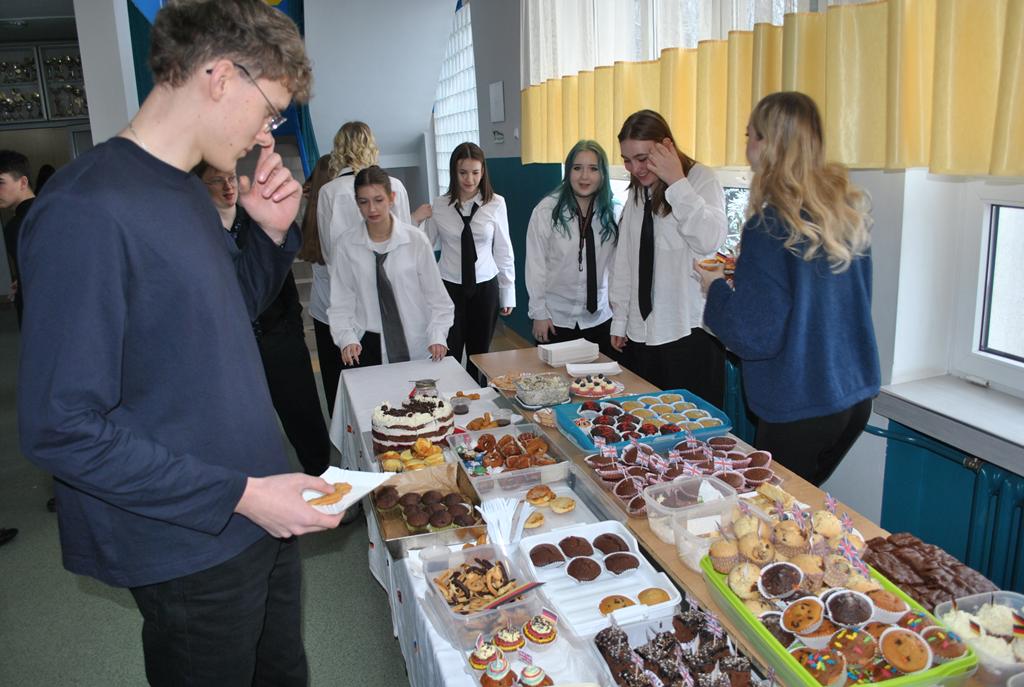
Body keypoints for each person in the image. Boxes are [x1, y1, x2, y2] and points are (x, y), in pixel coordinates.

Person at [16, 2, 342, 685]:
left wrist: (268, 235)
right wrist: (240, 494)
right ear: (219, 76)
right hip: (189, 538)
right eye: (270, 110)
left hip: (260, 502)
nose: (266, 133)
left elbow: (218, 317)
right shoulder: (85, 209)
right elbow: (60, 426)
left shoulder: (188, 191)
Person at [699, 91, 880, 486]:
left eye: (750, 135)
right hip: (851, 397)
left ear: (769, 144)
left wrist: (715, 288)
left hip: (801, 402)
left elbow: (752, 335)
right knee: (799, 507)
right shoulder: (843, 213)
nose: (746, 146)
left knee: (773, 510)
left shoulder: (769, 226)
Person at [198, 161, 331, 477]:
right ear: (200, 187)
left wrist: (292, 331)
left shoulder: (257, 219)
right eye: (217, 181)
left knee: (305, 419)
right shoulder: (197, 231)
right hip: (233, 351)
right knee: (246, 429)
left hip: (279, 340)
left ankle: (323, 478)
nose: (228, 187)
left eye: (231, 178)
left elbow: (284, 282)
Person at [609, 110, 728, 404]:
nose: (635, 168)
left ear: (666, 147)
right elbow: (626, 259)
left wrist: (676, 182)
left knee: (693, 422)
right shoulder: (638, 191)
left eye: (642, 158)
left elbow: (708, 241)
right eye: (627, 160)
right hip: (643, 330)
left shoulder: (700, 179)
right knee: (646, 415)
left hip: (688, 329)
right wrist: (621, 319)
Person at [312, 122, 427, 412]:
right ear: (371, 146)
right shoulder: (394, 186)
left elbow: (328, 253)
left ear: (338, 149)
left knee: (355, 384)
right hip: (390, 299)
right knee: (397, 379)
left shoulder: (329, 192)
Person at [327, 165, 453, 368]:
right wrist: (346, 338)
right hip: (368, 346)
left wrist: (437, 335)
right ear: (357, 203)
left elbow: (438, 299)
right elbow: (341, 302)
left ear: (391, 198)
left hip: (417, 342)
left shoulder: (416, 240)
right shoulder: (346, 245)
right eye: (364, 202)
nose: (372, 209)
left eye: (378, 200)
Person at [423, 142, 515, 382]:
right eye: (463, 172)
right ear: (454, 172)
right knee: (448, 351)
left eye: (475, 172)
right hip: (449, 287)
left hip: (485, 287)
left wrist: (507, 292)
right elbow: (423, 246)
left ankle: (478, 396)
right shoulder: (440, 205)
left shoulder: (496, 203)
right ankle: (448, 394)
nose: (469, 179)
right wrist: (414, 219)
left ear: (483, 172)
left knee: (480, 355)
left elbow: (504, 250)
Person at [525, 139, 620, 359]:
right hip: (555, 318)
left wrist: (620, 316)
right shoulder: (547, 211)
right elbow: (536, 267)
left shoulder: (614, 213)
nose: (584, 176)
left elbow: (618, 269)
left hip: (601, 318)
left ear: (603, 174)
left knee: (599, 379)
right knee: (554, 379)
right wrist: (539, 313)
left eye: (593, 169)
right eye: (577, 168)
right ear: (568, 172)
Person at [0, 149, 36, 327]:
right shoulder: (49, 210)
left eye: (0, 182)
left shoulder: (18, 225)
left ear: (23, 182)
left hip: (39, 315)